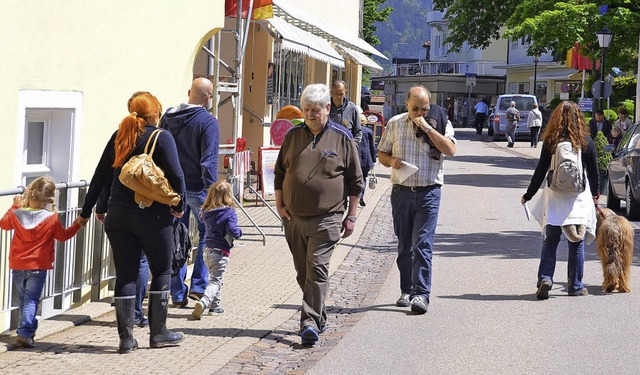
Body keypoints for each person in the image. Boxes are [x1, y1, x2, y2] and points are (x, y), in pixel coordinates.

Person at [79, 92, 186, 353]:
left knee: (125, 273)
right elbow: (176, 174)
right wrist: (180, 206)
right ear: (156, 114)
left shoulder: (119, 136)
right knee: (161, 269)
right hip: (152, 215)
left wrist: (86, 211)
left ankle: (126, 339)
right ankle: (159, 333)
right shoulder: (161, 137)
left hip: (118, 216)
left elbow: (100, 176)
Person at [274, 83, 363, 346]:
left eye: (315, 109)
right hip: (294, 219)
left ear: (327, 109)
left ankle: (309, 323)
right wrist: (279, 206)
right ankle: (319, 314)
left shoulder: (342, 137)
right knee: (303, 273)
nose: (310, 114)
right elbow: (279, 173)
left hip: (328, 218)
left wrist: (352, 215)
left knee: (317, 270)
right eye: (306, 109)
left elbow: (355, 181)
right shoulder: (292, 136)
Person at [377, 86, 457, 315]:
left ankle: (421, 294)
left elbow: (450, 150)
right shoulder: (395, 123)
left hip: (429, 191)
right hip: (402, 191)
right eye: (415, 109)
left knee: (423, 244)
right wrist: (391, 161)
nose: (419, 113)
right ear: (406, 106)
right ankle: (406, 289)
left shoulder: (440, 122)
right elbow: (381, 154)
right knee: (404, 245)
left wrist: (429, 128)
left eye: (424, 109)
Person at [521, 101, 598, 300]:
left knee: (551, 240)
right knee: (576, 242)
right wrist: (596, 194)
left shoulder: (551, 142)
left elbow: (540, 171)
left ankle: (546, 278)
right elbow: (594, 172)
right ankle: (575, 286)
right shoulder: (586, 141)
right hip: (577, 199)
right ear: (579, 119)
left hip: (554, 198)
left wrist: (528, 195)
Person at [1, 177, 85, 348]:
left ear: (30, 193)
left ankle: (28, 332)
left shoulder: (17, 214)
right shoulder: (51, 218)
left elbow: (3, 224)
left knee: (24, 299)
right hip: (38, 266)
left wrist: (14, 206)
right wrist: (77, 224)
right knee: (32, 300)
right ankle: (25, 332)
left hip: (17, 264)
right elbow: (62, 236)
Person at [161, 77, 220, 307]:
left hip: (172, 189)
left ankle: (177, 292)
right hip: (198, 188)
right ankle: (198, 286)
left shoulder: (167, 117)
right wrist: (214, 191)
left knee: (175, 237)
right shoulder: (207, 122)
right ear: (207, 98)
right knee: (208, 234)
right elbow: (208, 162)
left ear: (189, 92)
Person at [191, 181, 242, 320]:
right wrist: (239, 233)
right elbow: (232, 230)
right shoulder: (229, 212)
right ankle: (204, 301)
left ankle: (215, 307)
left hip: (207, 250)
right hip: (221, 251)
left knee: (214, 279)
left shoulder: (206, 212)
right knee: (216, 281)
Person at [358, 113, 377, 207]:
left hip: (355, 157)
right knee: (363, 178)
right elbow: (372, 146)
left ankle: (352, 196)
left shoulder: (353, 130)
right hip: (365, 158)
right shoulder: (368, 131)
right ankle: (360, 196)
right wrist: (374, 159)